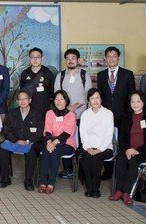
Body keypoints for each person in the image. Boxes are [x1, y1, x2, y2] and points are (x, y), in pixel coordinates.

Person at [110, 91, 146, 205]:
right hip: (128, 149)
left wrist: (137, 150)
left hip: (145, 150)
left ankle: (127, 193)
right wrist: (127, 149)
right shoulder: (126, 117)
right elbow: (122, 138)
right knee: (121, 159)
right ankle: (118, 190)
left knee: (134, 161)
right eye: (133, 101)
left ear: (143, 103)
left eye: (138, 101)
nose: (135, 104)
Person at [96, 46, 135, 180]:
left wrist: (130, 114)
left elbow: (132, 95)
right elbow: (99, 96)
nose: (111, 58)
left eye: (114, 56)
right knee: (107, 141)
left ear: (118, 58)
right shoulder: (101, 75)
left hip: (123, 114)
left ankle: (122, 168)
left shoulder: (127, 74)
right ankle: (108, 169)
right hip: (106, 115)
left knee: (123, 141)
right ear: (105, 59)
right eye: (109, 56)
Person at [53, 48, 91, 180]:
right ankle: (68, 169)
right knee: (66, 141)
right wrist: (65, 108)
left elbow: (88, 94)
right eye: (68, 59)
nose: (70, 61)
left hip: (81, 115)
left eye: (73, 58)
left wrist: (73, 107)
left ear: (78, 60)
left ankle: (82, 170)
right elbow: (57, 94)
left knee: (81, 142)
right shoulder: (61, 75)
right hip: (64, 117)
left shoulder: (84, 75)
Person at [0, 89, 44, 190]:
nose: (23, 101)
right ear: (17, 101)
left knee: (32, 152)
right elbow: (6, 130)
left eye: (25, 99)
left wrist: (27, 141)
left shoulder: (37, 114)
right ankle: (4, 178)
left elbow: (39, 133)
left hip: (30, 142)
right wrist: (16, 140)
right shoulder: (11, 113)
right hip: (15, 141)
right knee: (2, 150)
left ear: (30, 100)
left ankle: (28, 180)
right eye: (20, 99)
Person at [38, 90, 76, 194]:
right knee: (46, 150)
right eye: (56, 99)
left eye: (61, 99)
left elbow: (67, 133)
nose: (59, 101)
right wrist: (50, 141)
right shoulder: (49, 113)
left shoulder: (71, 114)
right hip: (51, 142)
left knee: (54, 152)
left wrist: (53, 143)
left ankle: (50, 183)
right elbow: (47, 130)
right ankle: (42, 182)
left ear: (66, 100)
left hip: (67, 143)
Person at [78, 88, 114, 198]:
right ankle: (90, 188)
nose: (95, 100)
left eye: (97, 97)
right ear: (89, 100)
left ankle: (96, 188)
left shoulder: (108, 113)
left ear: (101, 99)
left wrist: (99, 149)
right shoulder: (85, 114)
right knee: (87, 157)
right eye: (92, 98)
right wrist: (88, 148)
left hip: (105, 148)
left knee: (97, 157)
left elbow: (109, 135)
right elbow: (83, 133)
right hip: (88, 146)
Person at [18, 47, 55, 116]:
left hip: (44, 109)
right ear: (30, 59)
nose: (35, 59)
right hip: (28, 110)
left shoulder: (48, 73)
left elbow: (52, 91)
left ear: (41, 58)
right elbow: (22, 91)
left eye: (38, 57)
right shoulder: (25, 73)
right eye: (32, 57)